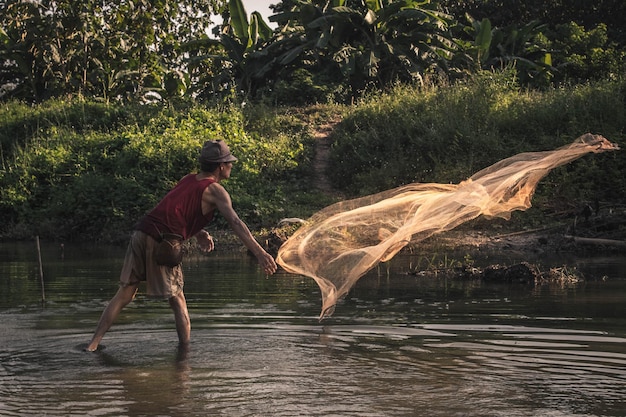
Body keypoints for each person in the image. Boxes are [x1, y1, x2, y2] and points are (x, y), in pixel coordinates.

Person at [85, 139, 277, 352]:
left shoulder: (189, 180)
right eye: (229, 162)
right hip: (163, 242)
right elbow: (235, 222)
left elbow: (173, 211)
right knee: (178, 300)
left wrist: (198, 232)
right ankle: (184, 359)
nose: (231, 166)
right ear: (220, 166)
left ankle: (92, 346)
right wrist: (260, 253)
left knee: (125, 294)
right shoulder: (215, 190)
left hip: (141, 232)